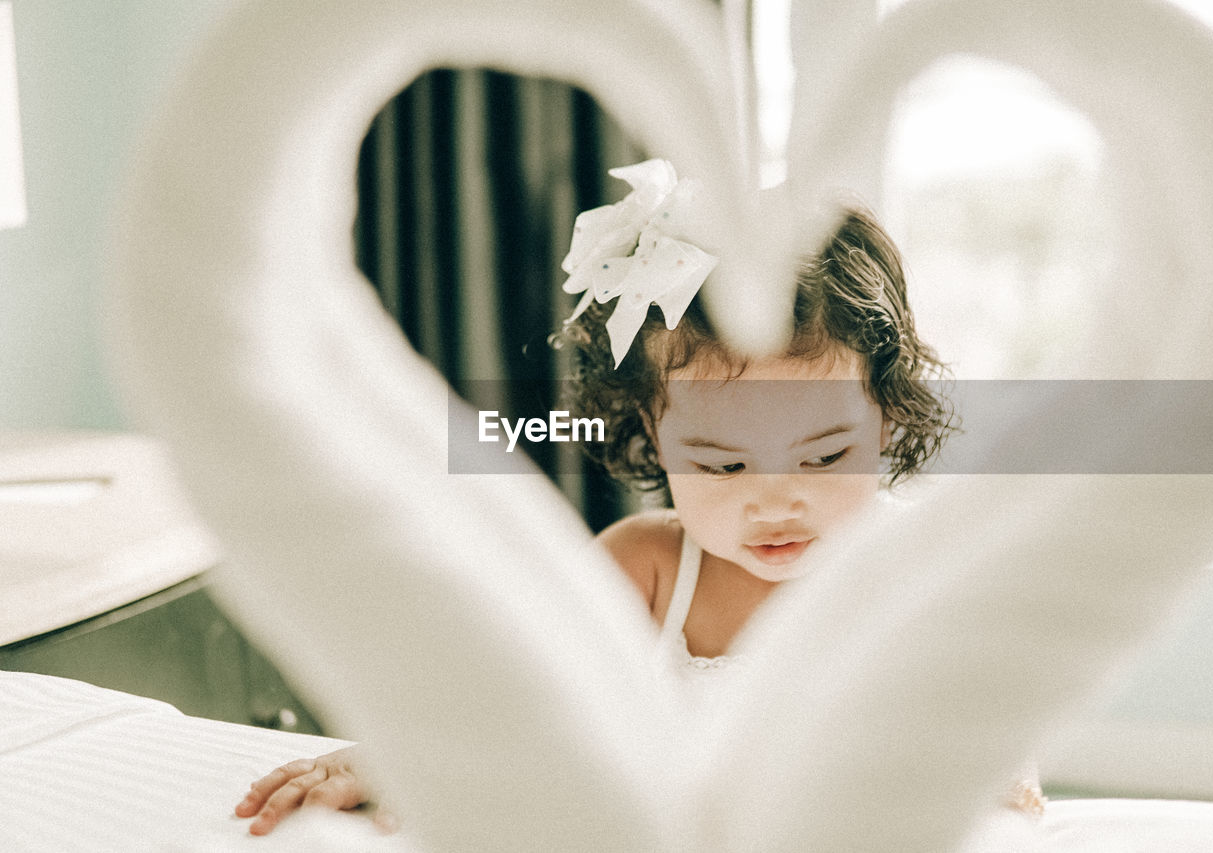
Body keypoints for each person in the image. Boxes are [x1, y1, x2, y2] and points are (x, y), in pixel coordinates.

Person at [234, 160, 1043, 836]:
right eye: (723, 466)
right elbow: (511, 698)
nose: (774, 501)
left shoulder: (918, 571)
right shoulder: (647, 568)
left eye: (825, 454)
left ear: (887, 412)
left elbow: (1001, 750)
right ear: (653, 440)